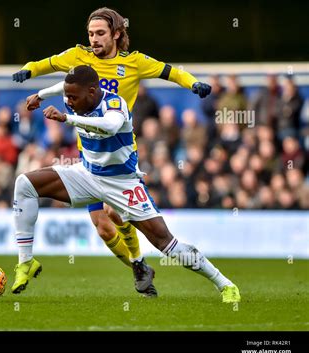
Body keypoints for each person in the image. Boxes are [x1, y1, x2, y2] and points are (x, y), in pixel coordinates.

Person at [12, 7, 212, 296]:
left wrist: (193, 83)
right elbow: (49, 64)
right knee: (104, 228)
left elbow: (171, 72)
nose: (94, 39)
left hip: (118, 155)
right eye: (91, 33)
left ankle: (140, 262)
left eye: (100, 33)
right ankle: (139, 265)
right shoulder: (78, 57)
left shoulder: (135, 63)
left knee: (115, 215)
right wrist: (28, 70)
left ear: (117, 34)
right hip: (89, 158)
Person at [12, 65, 240, 303]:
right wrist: (40, 95)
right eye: (67, 97)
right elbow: (63, 86)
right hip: (87, 174)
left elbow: (109, 125)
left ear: (92, 92)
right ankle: (26, 261)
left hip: (123, 183)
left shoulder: (114, 104)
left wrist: (66, 118)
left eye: (73, 97)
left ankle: (225, 284)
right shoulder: (75, 94)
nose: (68, 101)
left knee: (166, 243)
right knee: (25, 184)